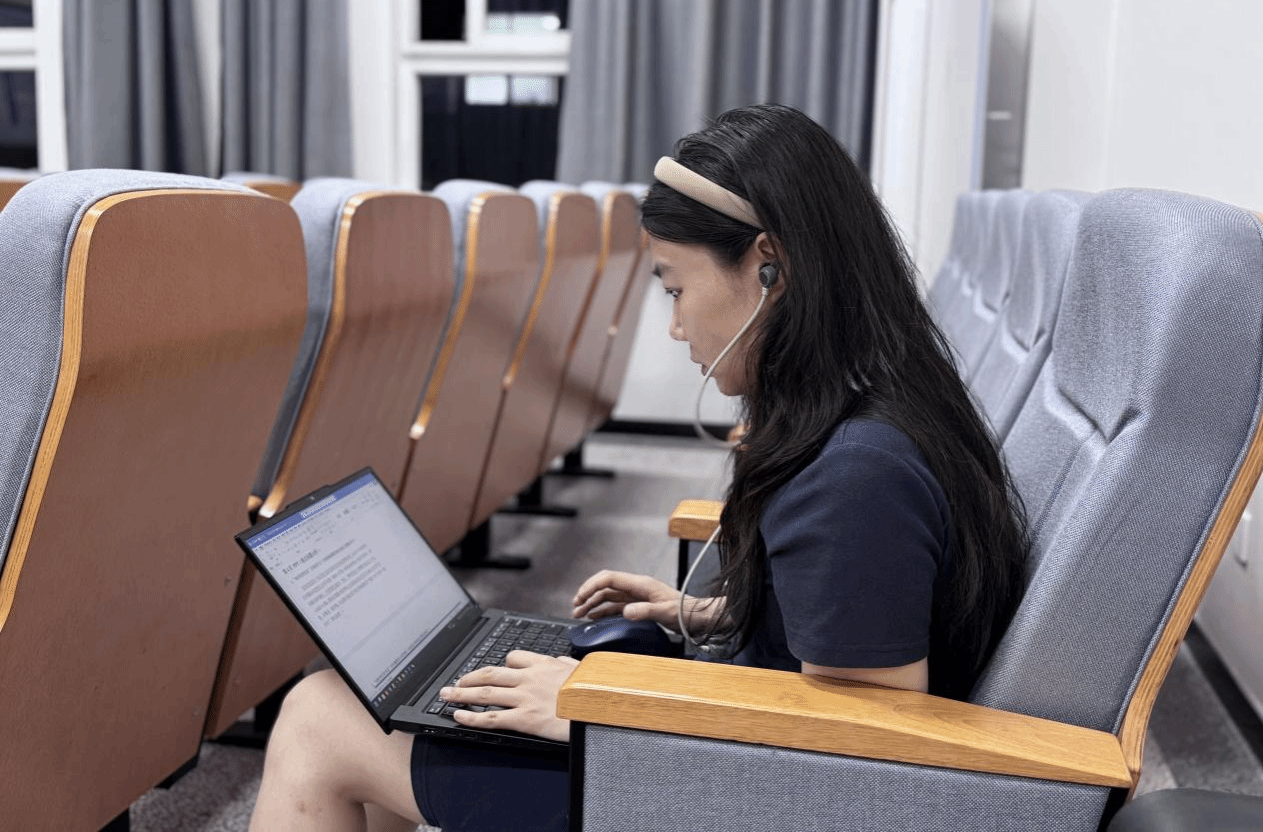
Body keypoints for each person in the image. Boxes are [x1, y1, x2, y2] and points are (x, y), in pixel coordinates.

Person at [248, 103, 1029, 832]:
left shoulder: (856, 474)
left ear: (770, 268)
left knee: (321, 718)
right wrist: (713, 614)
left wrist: (602, 705)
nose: (678, 326)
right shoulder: (869, 410)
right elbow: (849, 651)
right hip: (722, 754)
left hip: (724, 793)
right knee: (403, 704)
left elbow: (864, 740)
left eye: (677, 288)